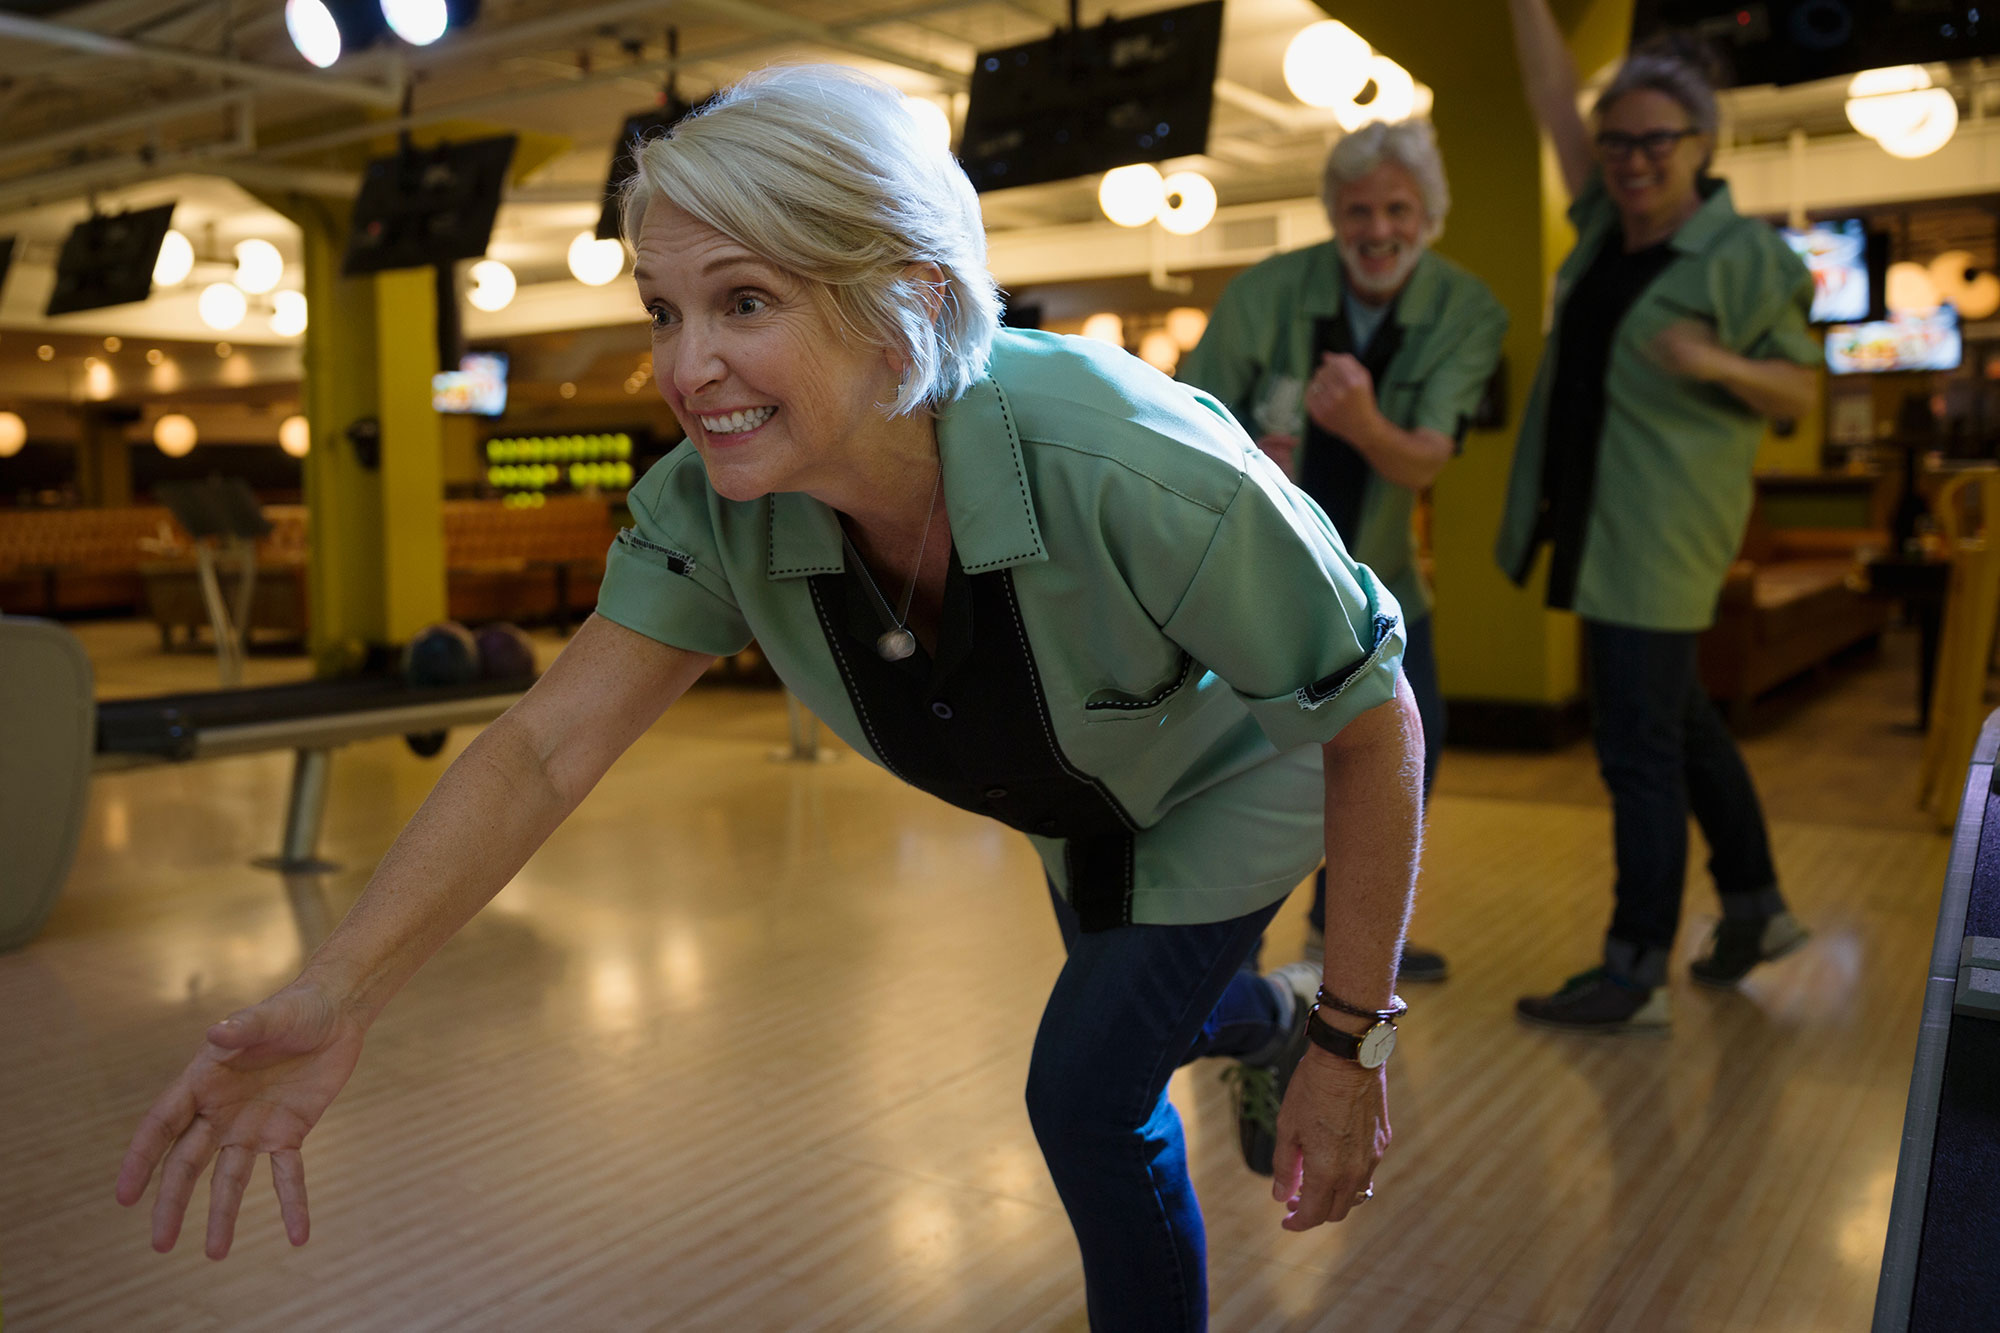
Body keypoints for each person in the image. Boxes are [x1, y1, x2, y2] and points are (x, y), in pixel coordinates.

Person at [114, 66, 1424, 1332]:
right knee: (1131, 1043)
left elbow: (1375, 722)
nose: (689, 369)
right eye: (664, 312)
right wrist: (338, 992)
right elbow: (543, 752)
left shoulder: (1129, 459)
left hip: (1254, 777)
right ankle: (1267, 1015)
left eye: (744, 302)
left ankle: (1298, 1023)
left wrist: (1355, 1044)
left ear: (906, 298)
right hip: (1077, 810)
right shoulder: (715, 507)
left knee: (1086, 1097)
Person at [1503, 0, 1818, 1032]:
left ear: (1701, 144)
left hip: (1660, 533)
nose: (1631, 159)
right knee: (1677, 725)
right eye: (1617, 140)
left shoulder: (1744, 258)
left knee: (1633, 746)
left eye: (1654, 140)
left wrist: (1711, 359)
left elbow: (1797, 391)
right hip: (1596, 517)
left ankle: (1630, 968)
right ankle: (1755, 907)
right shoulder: (1601, 221)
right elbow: (1552, 97)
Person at [1180, 119, 1508, 991]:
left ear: (1429, 216)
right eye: (1357, 209)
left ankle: (1345, 942)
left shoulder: (1466, 309)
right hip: (1251, 585)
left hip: (1383, 588)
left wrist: (1359, 423)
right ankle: (1230, 961)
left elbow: (1427, 456)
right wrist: (1254, 451)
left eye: (1398, 208)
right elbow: (1184, 423)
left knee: (1406, 755)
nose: (1377, 230)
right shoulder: (1266, 293)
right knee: (1241, 772)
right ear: (1332, 214)